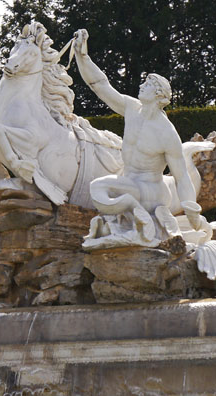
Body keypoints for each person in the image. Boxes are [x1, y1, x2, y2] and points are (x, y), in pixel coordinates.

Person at [72, 28, 202, 244]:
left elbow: (181, 176)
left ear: (159, 96)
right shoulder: (132, 109)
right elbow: (101, 86)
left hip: (152, 191)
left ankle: (135, 211)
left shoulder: (166, 133)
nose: (141, 86)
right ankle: (131, 214)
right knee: (100, 190)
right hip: (130, 182)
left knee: (98, 187)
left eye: (147, 85)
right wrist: (82, 56)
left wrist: (191, 209)